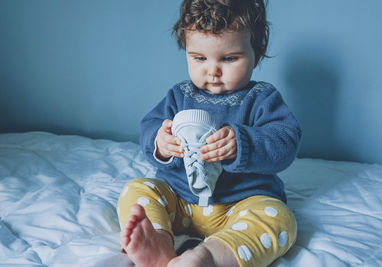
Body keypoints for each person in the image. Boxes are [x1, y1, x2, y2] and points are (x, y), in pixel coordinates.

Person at [117, 0, 302, 266]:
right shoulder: (179, 95)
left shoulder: (262, 98)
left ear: (256, 53)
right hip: (179, 201)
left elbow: (286, 143)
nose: (212, 71)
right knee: (136, 189)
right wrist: (160, 142)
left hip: (240, 205)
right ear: (186, 51)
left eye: (229, 58)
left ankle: (209, 256)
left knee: (281, 220)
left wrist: (243, 144)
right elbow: (150, 125)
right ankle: (159, 240)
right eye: (199, 58)